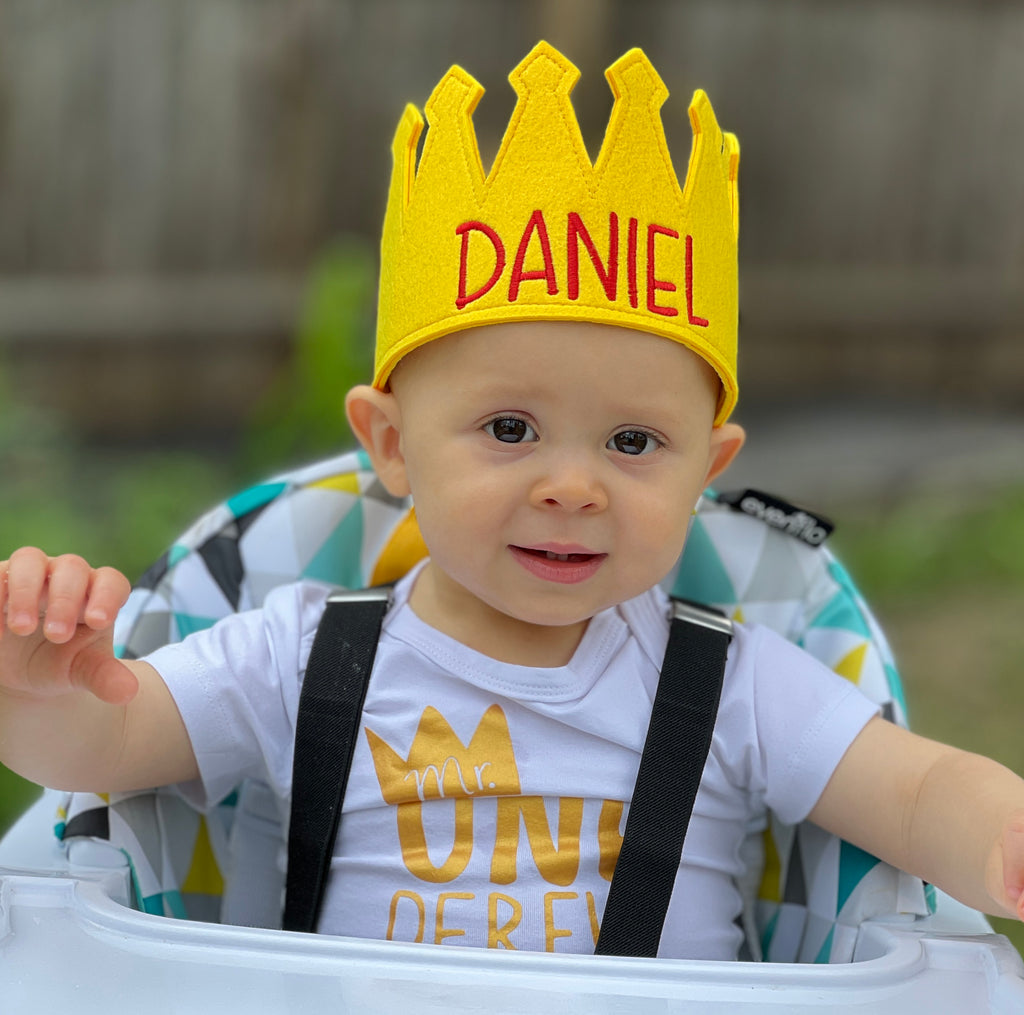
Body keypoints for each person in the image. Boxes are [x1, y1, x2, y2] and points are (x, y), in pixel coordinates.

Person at [2, 41, 1024, 961]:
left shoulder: (740, 682)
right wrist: (39, 689)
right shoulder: (291, 653)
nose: (571, 486)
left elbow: (918, 790)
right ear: (392, 445)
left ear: (706, 471)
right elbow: (101, 756)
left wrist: (1000, 839)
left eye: (633, 442)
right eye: (508, 430)